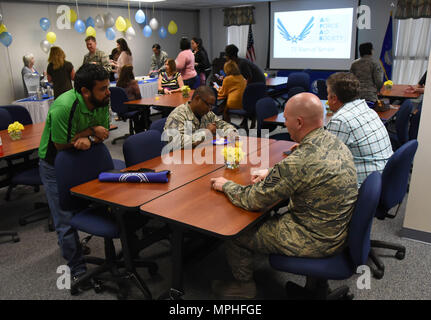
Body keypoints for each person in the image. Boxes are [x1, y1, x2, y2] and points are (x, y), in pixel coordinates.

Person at [210, 92, 358, 299]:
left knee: (236, 231)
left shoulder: (299, 161)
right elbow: (304, 167)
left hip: (315, 238)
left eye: (286, 118)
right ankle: (318, 286)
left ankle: (243, 287)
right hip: (338, 229)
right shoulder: (333, 141)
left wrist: (226, 185)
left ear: (298, 122)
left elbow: (251, 199)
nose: (284, 123)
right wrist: (273, 172)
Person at [38, 63, 111, 287]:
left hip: (85, 154)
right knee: (65, 217)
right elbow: (61, 144)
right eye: (103, 88)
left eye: (108, 87)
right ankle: (77, 268)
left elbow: (104, 133)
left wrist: (88, 138)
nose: (109, 92)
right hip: (55, 163)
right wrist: (90, 132)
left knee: (105, 201)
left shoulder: (102, 101)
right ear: (85, 91)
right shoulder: (63, 107)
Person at [326, 72, 393, 187]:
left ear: (333, 98)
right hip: (384, 177)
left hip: (363, 185)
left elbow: (326, 162)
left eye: (327, 94)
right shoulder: (368, 110)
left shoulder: (340, 120)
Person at [164, 86, 238, 150]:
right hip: (179, 160)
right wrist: (205, 133)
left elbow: (222, 124)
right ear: (197, 99)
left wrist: (231, 132)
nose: (210, 109)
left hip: (200, 155)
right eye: (208, 105)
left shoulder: (207, 113)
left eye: (211, 106)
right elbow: (175, 143)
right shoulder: (178, 115)